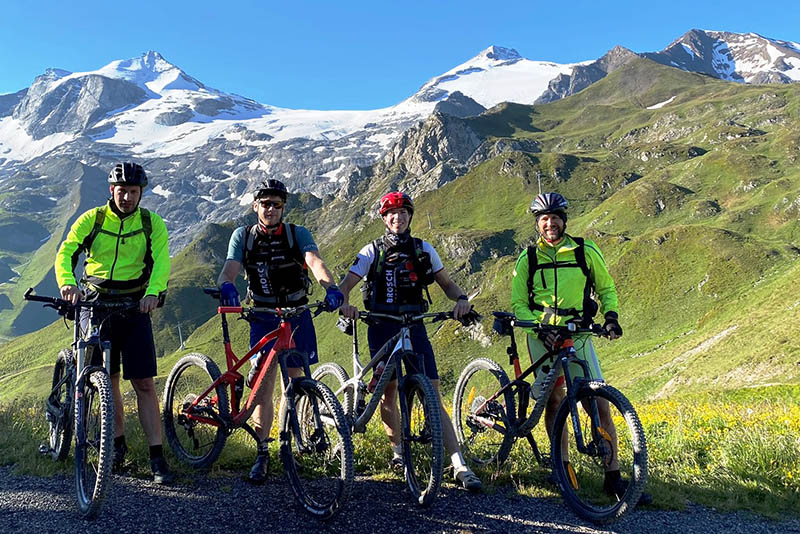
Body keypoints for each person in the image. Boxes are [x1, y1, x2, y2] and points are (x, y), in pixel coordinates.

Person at [510, 192, 651, 504]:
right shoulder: (529, 258)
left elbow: (606, 287)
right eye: (544, 218)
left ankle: (613, 477)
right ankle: (561, 467)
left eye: (555, 217)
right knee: (555, 401)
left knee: (599, 402)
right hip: (542, 338)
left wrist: (610, 316)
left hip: (579, 336)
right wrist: (538, 326)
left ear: (564, 220)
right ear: (537, 223)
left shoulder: (584, 250)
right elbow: (519, 304)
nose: (550, 223)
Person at [338, 191, 482, 492]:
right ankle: (398, 453)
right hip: (381, 325)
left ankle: (459, 465)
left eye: (403, 212)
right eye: (391, 213)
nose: (397, 217)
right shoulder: (371, 251)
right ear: (383, 218)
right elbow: (346, 285)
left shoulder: (423, 249)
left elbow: (447, 284)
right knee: (387, 391)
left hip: (414, 325)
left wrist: (462, 299)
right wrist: (345, 305)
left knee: (432, 391)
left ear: (410, 216)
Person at [216, 178, 343, 484]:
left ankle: (292, 441)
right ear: (255, 206)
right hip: (262, 314)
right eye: (265, 203)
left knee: (298, 378)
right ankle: (262, 451)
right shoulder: (243, 236)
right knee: (265, 386)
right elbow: (231, 266)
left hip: (297, 313)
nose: (270, 209)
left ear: (283, 208)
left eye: (276, 204)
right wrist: (227, 285)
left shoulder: (297, 234)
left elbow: (314, 262)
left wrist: (331, 287)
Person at [54, 162, 172, 484]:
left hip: (134, 306)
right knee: (107, 379)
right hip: (95, 304)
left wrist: (153, 293)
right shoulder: (92, 220)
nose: (128, 198)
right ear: (112, 191)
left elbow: (161, 261)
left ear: (140, 194)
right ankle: (116, 445)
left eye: (134, 192)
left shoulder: (151, 224)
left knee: (145, 384)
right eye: (123, 192)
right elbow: (66, 253)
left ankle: (157, 457)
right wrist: (67, 283)